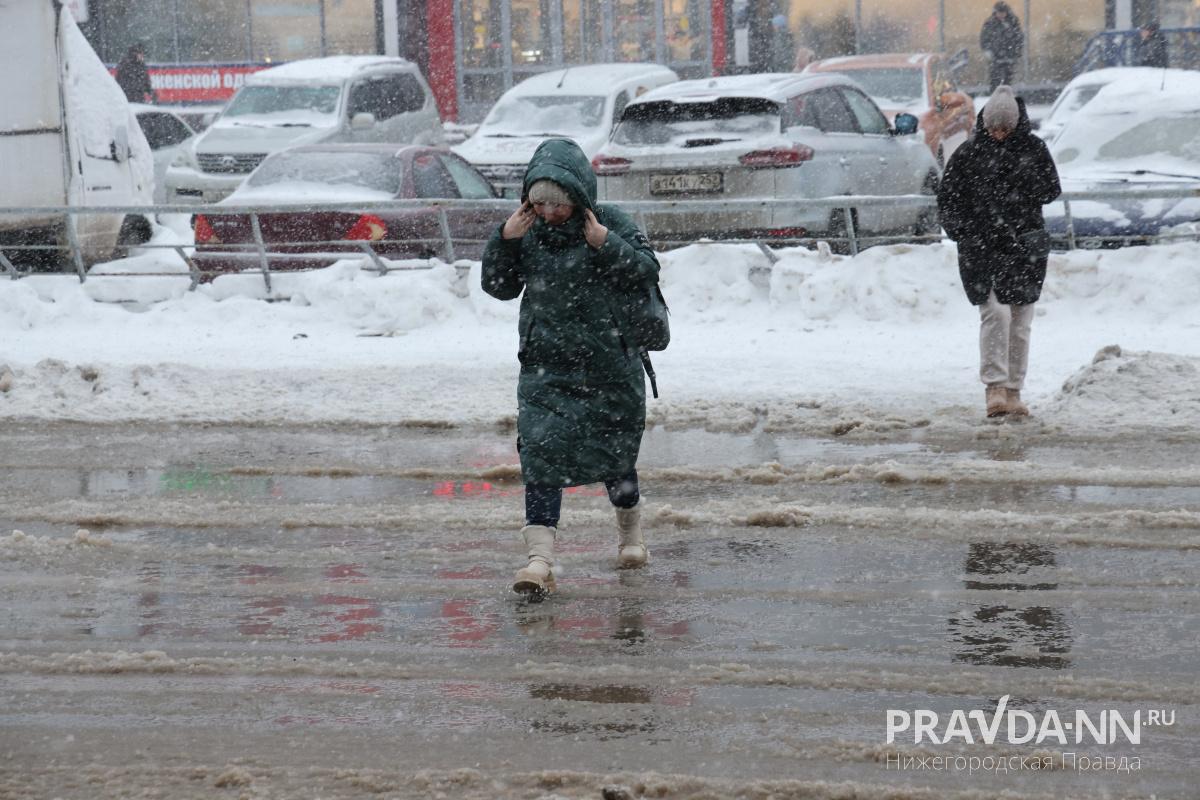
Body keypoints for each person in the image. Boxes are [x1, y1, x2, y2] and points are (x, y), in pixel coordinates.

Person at [481, 138, 661, 597]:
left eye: (557, 205)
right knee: (540, 455)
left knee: (615, 458)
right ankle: (539, 561)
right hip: (547, 369)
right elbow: (498, 288)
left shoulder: (609, 223)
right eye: (539, 203)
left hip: (609, 367)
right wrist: (504, 241)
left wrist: (605, 244)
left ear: (578, 197)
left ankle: (631, 536)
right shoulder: (526, 231)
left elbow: (645, 270)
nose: (548, 213)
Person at [936, 87, 1061, 419]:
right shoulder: (969, 154)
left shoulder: (1034, 150)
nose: (998, 134)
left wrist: (1021, 180)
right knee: (996, 313)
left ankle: (1014, 390)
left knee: (1021, 321)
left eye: (1004, 128)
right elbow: (948, 199)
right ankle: (994, 387)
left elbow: (1051, 189)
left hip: (1023, 248)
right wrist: (961, 231)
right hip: (982, 248)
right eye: (993, 128)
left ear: (1016, 125)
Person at [979, 2, 1023, 92]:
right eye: (999, 13)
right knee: (995, 79)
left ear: (1007, 12)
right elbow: (984, 38)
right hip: (995, 57)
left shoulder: (1013, 22)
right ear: (995, 13)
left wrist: (1017, 52)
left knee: (1008, 80)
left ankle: (1006, 97)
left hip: (1009, 56)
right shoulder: (990, 23)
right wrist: (988, 51)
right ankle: (994, 96)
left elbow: (1019, 38)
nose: (1001, 15)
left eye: (1003, 13)